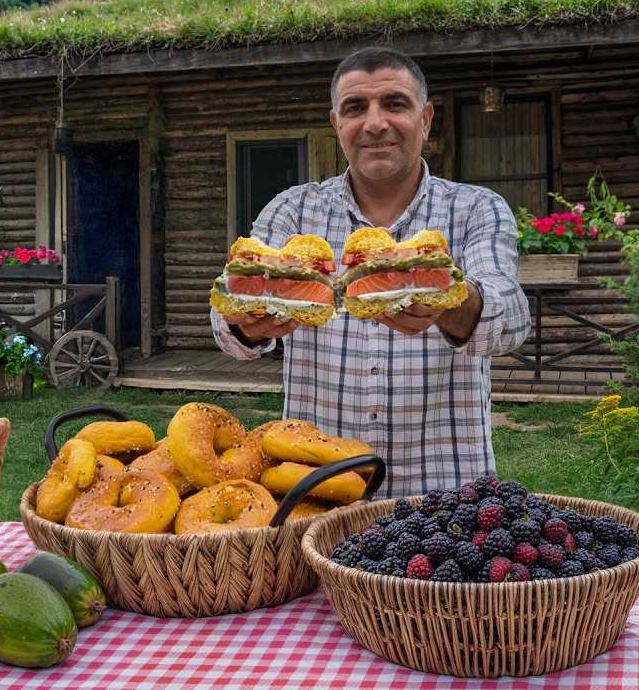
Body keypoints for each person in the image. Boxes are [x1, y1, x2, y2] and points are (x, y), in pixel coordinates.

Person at [210, 47, 531, 498]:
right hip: (319, 489)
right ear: (336, 124)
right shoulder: (292, 210)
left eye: (395, 104)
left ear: (426, 118)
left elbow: (512, 320)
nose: (375, 123)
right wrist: (244, 323)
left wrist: (445, 296)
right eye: (355, 108)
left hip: (445, 492)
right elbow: (226, 332)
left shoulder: (476, 208)